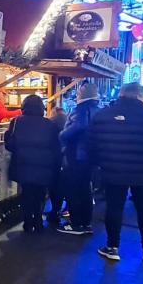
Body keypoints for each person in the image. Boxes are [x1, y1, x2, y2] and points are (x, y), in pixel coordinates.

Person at [87, 81, 143, 262]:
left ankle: (112, 247)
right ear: (140, 96)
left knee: (114, 209)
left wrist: (101, 162)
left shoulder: (103, 115)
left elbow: (92, 145)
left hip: (113, 170)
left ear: (120, 94)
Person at [4, 94, 61, 234]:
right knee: (40, 193)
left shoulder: (16, 122)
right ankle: (38, 220)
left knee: (27, 193)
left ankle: (28, 222)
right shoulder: (50, 124)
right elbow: (56, 148)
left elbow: (10, 145)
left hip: (23, 165)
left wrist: (6, 135)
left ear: (24, 106)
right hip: (44, 167)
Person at [55, 82, 101, 235]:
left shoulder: (81, 110)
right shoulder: (98, 110)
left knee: (73, 189)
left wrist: (62, 135)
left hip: (76, 155)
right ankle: (86, 223)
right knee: (85, 189)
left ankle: (76, 224)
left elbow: (77, 127)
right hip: (91, 156)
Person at [46, 105, 68, 226]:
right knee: (62, 187)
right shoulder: (68, 122)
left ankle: (54, 211)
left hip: (52, 160)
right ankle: (59, 211)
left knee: (54, 188)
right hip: (66, 160)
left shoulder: (50, 124)